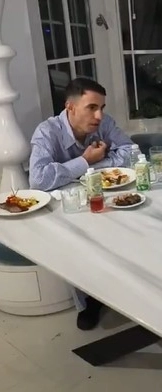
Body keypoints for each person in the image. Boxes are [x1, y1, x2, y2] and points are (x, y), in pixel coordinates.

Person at [29, 77, 134, 331]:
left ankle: (131, 289)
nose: (99, 115)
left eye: (102, 108)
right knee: (78, 242)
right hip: (66, 209)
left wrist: (92, 164)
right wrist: (85, 161)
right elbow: (38, 180)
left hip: (105, 198)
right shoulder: (47, 131)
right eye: (92, 108)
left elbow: (132, 152)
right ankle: (90, 301)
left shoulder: (104, 123)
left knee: (131, 223)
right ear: (71, 107)